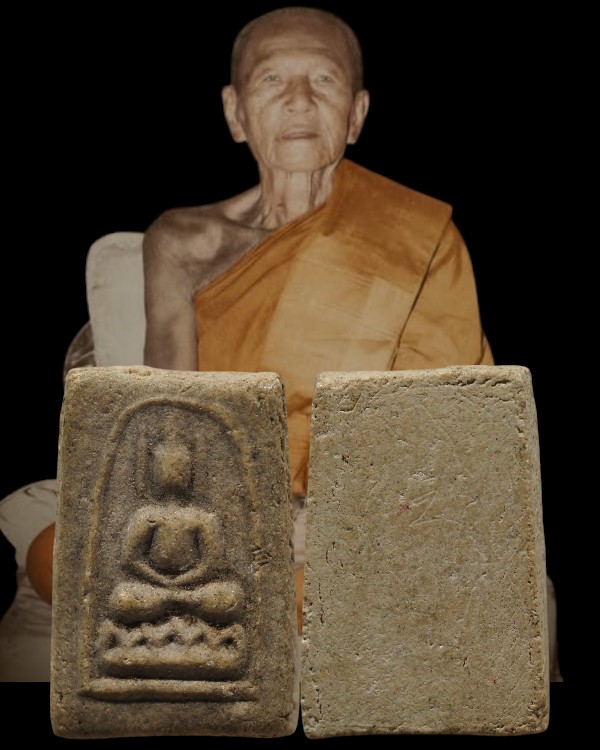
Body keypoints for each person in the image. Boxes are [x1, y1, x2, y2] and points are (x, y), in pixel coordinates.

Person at [142, 7, 492, 635]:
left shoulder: (416, 237)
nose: (300, 100)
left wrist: (325, 520)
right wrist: (256, 520)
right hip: (226, 523)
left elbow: (447, 427)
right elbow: (171, 418)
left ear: (356, 115)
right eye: (272, 79)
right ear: (234, 112)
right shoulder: (182, 242)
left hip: (370, 526)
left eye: (324, 80)